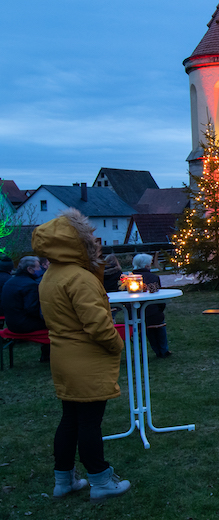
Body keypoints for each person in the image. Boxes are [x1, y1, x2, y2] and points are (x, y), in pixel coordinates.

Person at [31, 208, 131, 501]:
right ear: (75, 241)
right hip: (85, 359)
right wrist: (116, 344)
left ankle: (63, 479)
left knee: (70, 420)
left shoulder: (52, 275)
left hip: (63, 356)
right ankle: (101, 480)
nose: (94, 239)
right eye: (87, 235)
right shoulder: (79, 278)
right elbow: (98, 326)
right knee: (89, 422)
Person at [2, 256, 49, 362]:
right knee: (55, 323)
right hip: (24, 324)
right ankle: (47, 355)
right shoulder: (30, 285)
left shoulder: (10, 281)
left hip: (11, 323)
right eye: (38, 267)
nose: (40, 269)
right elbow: (33, 309)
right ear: (29, 269)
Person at [131, 254, 171, 358]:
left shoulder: (128, 280)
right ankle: (163, 350)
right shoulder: (153, 278)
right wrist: (160, 309)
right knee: (157, 320)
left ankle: (157, 350)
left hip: (135, 314)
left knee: (148, 324)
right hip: (153, 313)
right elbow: (159, 298)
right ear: (147, 265)